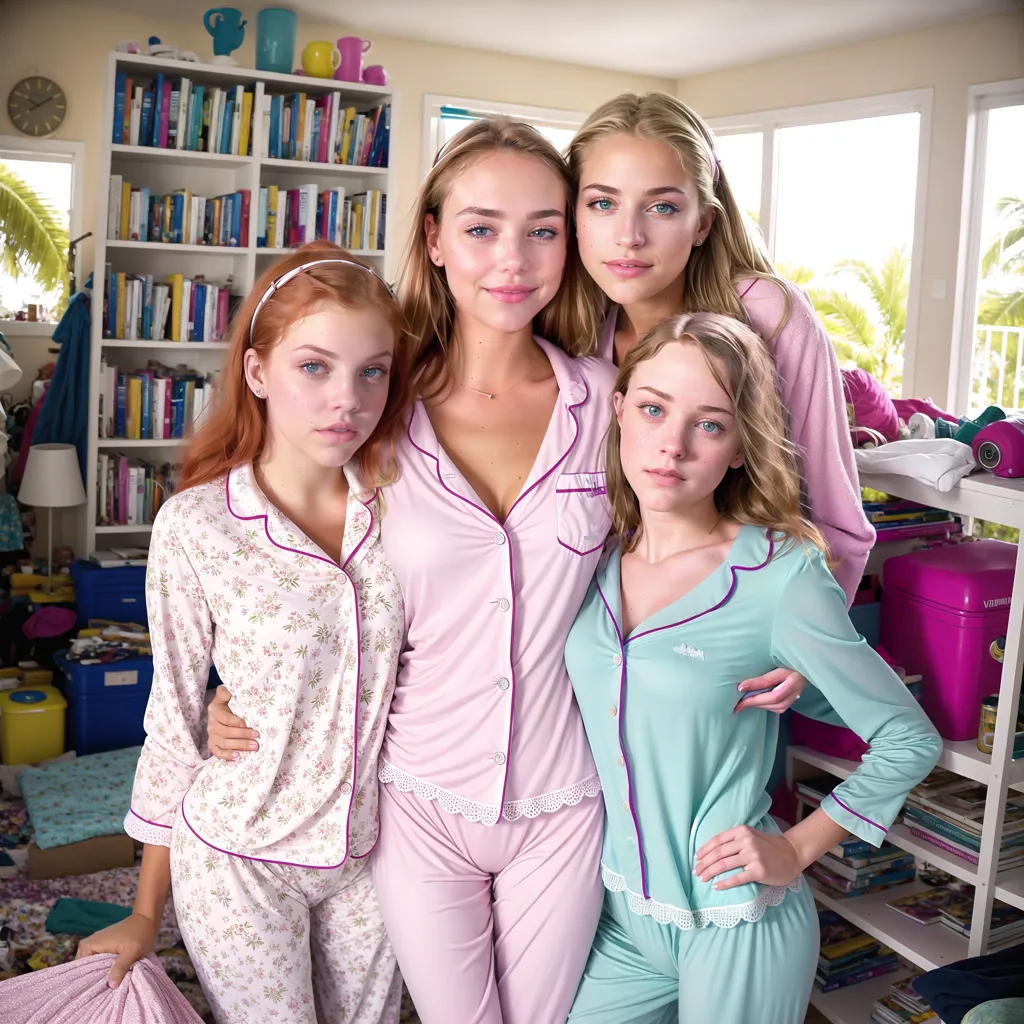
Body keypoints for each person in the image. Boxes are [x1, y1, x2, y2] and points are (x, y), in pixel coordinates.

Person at [204, 119, 811, 1024]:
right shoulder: (374, 409)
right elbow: (296, 568)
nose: (513, 260)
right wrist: (243, 686)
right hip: (417, 796)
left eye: (543, 228)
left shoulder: (612, 402)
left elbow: (709, 535)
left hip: (569, 801)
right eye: (482, 228)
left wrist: (788, 635)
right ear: (436, 240)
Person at [563, 311, 942, 1024]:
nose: (670, 446)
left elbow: (907, 738)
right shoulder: (589, 556)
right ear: (619, 413)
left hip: (737, 918)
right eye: (652, 410)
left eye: (709, 425)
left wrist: (797, 849)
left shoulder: (779, 574)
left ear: (739, 446)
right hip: (621, 911)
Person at [75, 243, 412, 1024]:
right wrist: (143, 913)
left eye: (373, 371)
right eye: (315, 367)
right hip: (240, 855)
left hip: (375, 853)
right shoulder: (196, 526)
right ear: (258, 373)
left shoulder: (407, 508)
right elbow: (172, 723)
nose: (348, 399)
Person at [567, 91, 874, 605]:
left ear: (703, 223)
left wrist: (806, 641)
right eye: (603, 203)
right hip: (611, 632)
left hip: (744, 628)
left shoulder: (770, 315)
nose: (629, 236)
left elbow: (838, 521)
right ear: (573, 213)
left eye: (662, 207)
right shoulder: (575, 329)